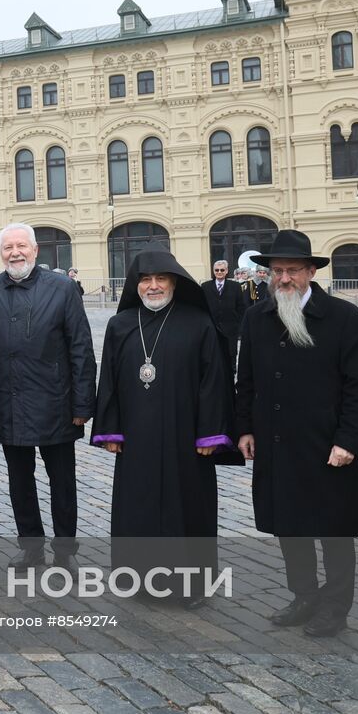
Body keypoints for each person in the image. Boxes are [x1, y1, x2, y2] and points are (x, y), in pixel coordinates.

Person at [235, 230, 358, 637]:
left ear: (311, 272)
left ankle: (335, 608)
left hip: (327, 444)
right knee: (288, 526)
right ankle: (303, 596)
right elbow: (245, 379)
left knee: (334, 532)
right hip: (276, 441)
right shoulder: (257, 316)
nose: (283, 279)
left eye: (292, 271)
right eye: (276, 271)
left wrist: (350, 440)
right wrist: (244, 427)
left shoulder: (344, 318)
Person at [92, 250, 235, 607]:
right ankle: (140, 581)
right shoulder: (121, 324)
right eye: (145, 280)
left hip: (185, 439)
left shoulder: (198, 322)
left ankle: (192, 586)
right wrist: (111, 430)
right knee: (138, 509)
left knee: (186, 509)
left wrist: (210, 433)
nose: (153, 286)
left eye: (160, 279)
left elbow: (214, 381)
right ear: (135, 285)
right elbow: (108, 379)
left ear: (174, 281)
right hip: (137, 439)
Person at [0, 224, 95, 570]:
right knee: (19, 483)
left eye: (21, 246)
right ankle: (31, 549)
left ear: (35, 250)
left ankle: (64, 552)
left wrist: (82, 404)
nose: (15, 252)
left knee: (62, 483)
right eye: (8, 247)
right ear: (0, 253)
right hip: (8, 402)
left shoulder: (62, 288)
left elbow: (81, 348)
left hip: (56, 404)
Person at [201, 259, 248, 373]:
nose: (219, 272)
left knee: (231, 359)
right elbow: (203, 307)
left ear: (226, 271)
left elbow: (241, 307)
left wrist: (239, 326)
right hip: (213, 329)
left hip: (231, 329)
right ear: (213, 271)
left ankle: (231, 384)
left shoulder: (235, 286)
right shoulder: (205, 286)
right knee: (213, 356)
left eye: (222, 270)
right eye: (216, 270)